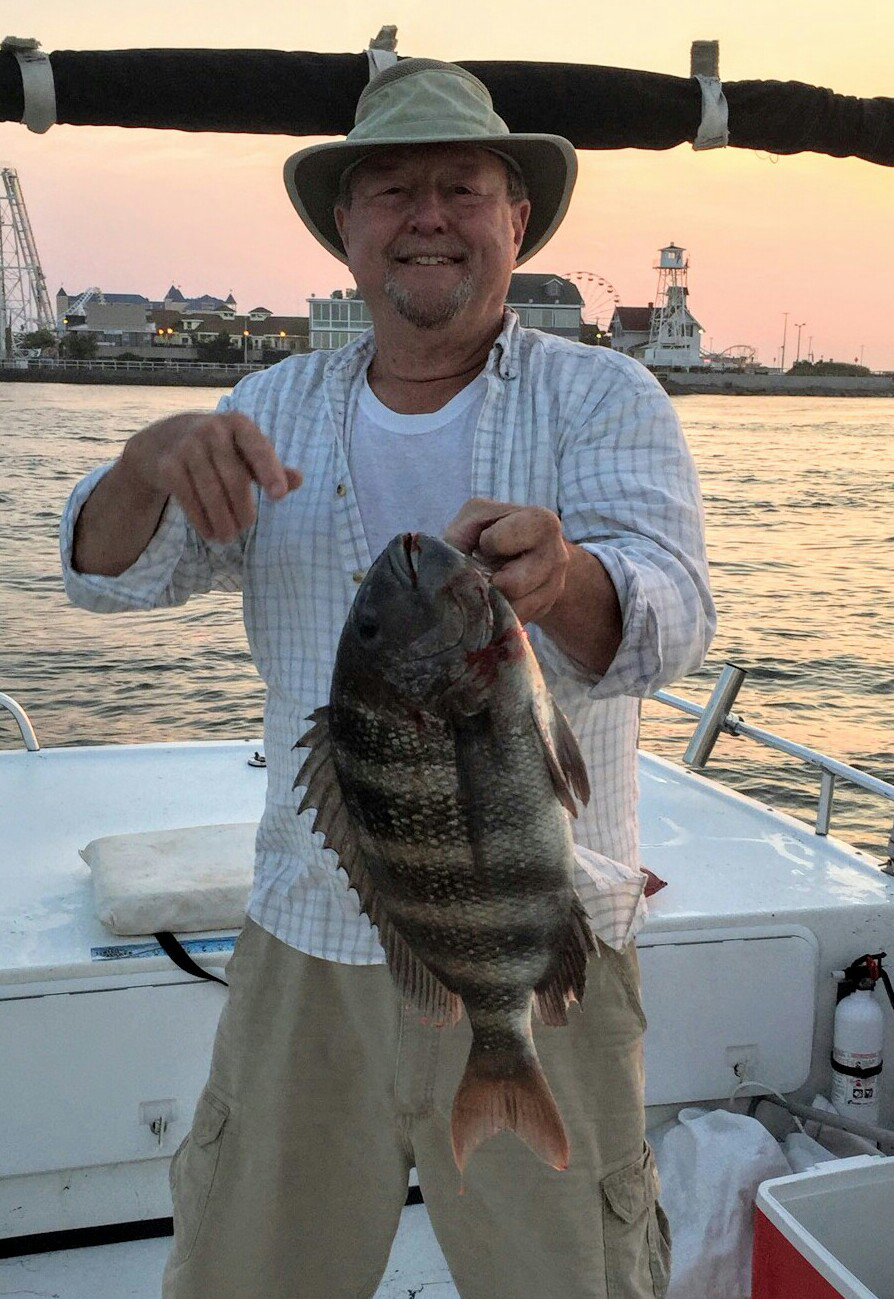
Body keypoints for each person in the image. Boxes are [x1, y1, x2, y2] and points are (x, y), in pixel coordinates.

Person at [61, 57, 714, 1299]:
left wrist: (568, 578)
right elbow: (105, 581)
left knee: (570, 1275)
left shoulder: (606, 397)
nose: (427, 216)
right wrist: (147, 462)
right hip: (308, 933)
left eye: (461, 187)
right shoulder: (267, 408)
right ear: (347, 233)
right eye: (392, 191)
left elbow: (673, 625)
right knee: (251, 1269)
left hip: (544, 937)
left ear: (515, 220)